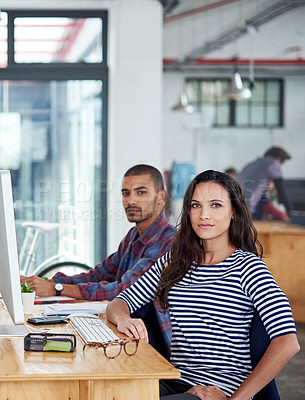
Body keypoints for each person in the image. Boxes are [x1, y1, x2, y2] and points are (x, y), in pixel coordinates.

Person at [106, 169, 300, 400]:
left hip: (219, 391)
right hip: (176, 381)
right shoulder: (176, 262)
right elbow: (119, 303)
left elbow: (288, 343)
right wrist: (124, 319)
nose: (203, 215)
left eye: (215, 205)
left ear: (234, 212)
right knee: (110, 392)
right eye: (196, 205)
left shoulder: (249, 268)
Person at [21, 164, 176, 356]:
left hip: (149, 339)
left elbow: (123, 289)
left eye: (141, 192)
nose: (131, 200)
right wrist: (50, 282)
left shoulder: (167, 242)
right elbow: (98, 274)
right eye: (125, 193)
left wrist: (56, 289)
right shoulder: (133, 236)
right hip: (124, 326)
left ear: (161, 197)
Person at [236, 146, 292, 221]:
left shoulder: (251, 164)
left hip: (234, 206)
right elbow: (281, 189)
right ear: (279, 159)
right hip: (246, 211)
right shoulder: (273, 163)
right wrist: (290, 212)